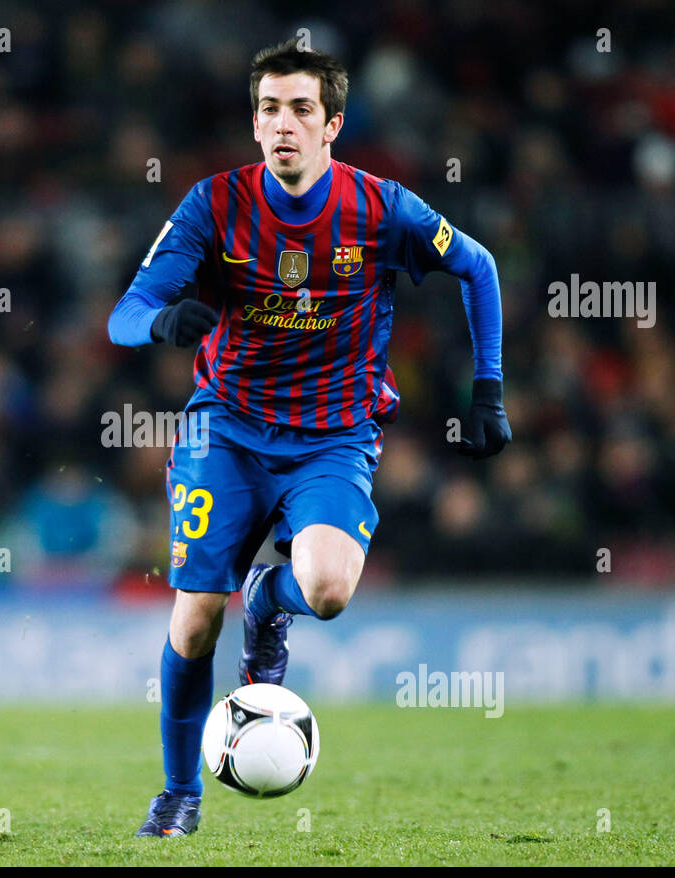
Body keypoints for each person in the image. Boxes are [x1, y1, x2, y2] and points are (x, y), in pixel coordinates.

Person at [109, 39, 510, 837]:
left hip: (333, 436)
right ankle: (179, 794)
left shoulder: (380, 208)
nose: (282, 124)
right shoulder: (212, 206)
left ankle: (271, 600)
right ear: (253, 124)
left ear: (332, 124)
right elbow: (124, 314)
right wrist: (162, 320)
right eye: (268, 109)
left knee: (326, 588)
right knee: (193, 619)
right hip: (226, 429)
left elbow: (480, 266)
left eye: (299, 109)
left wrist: (489, 385)